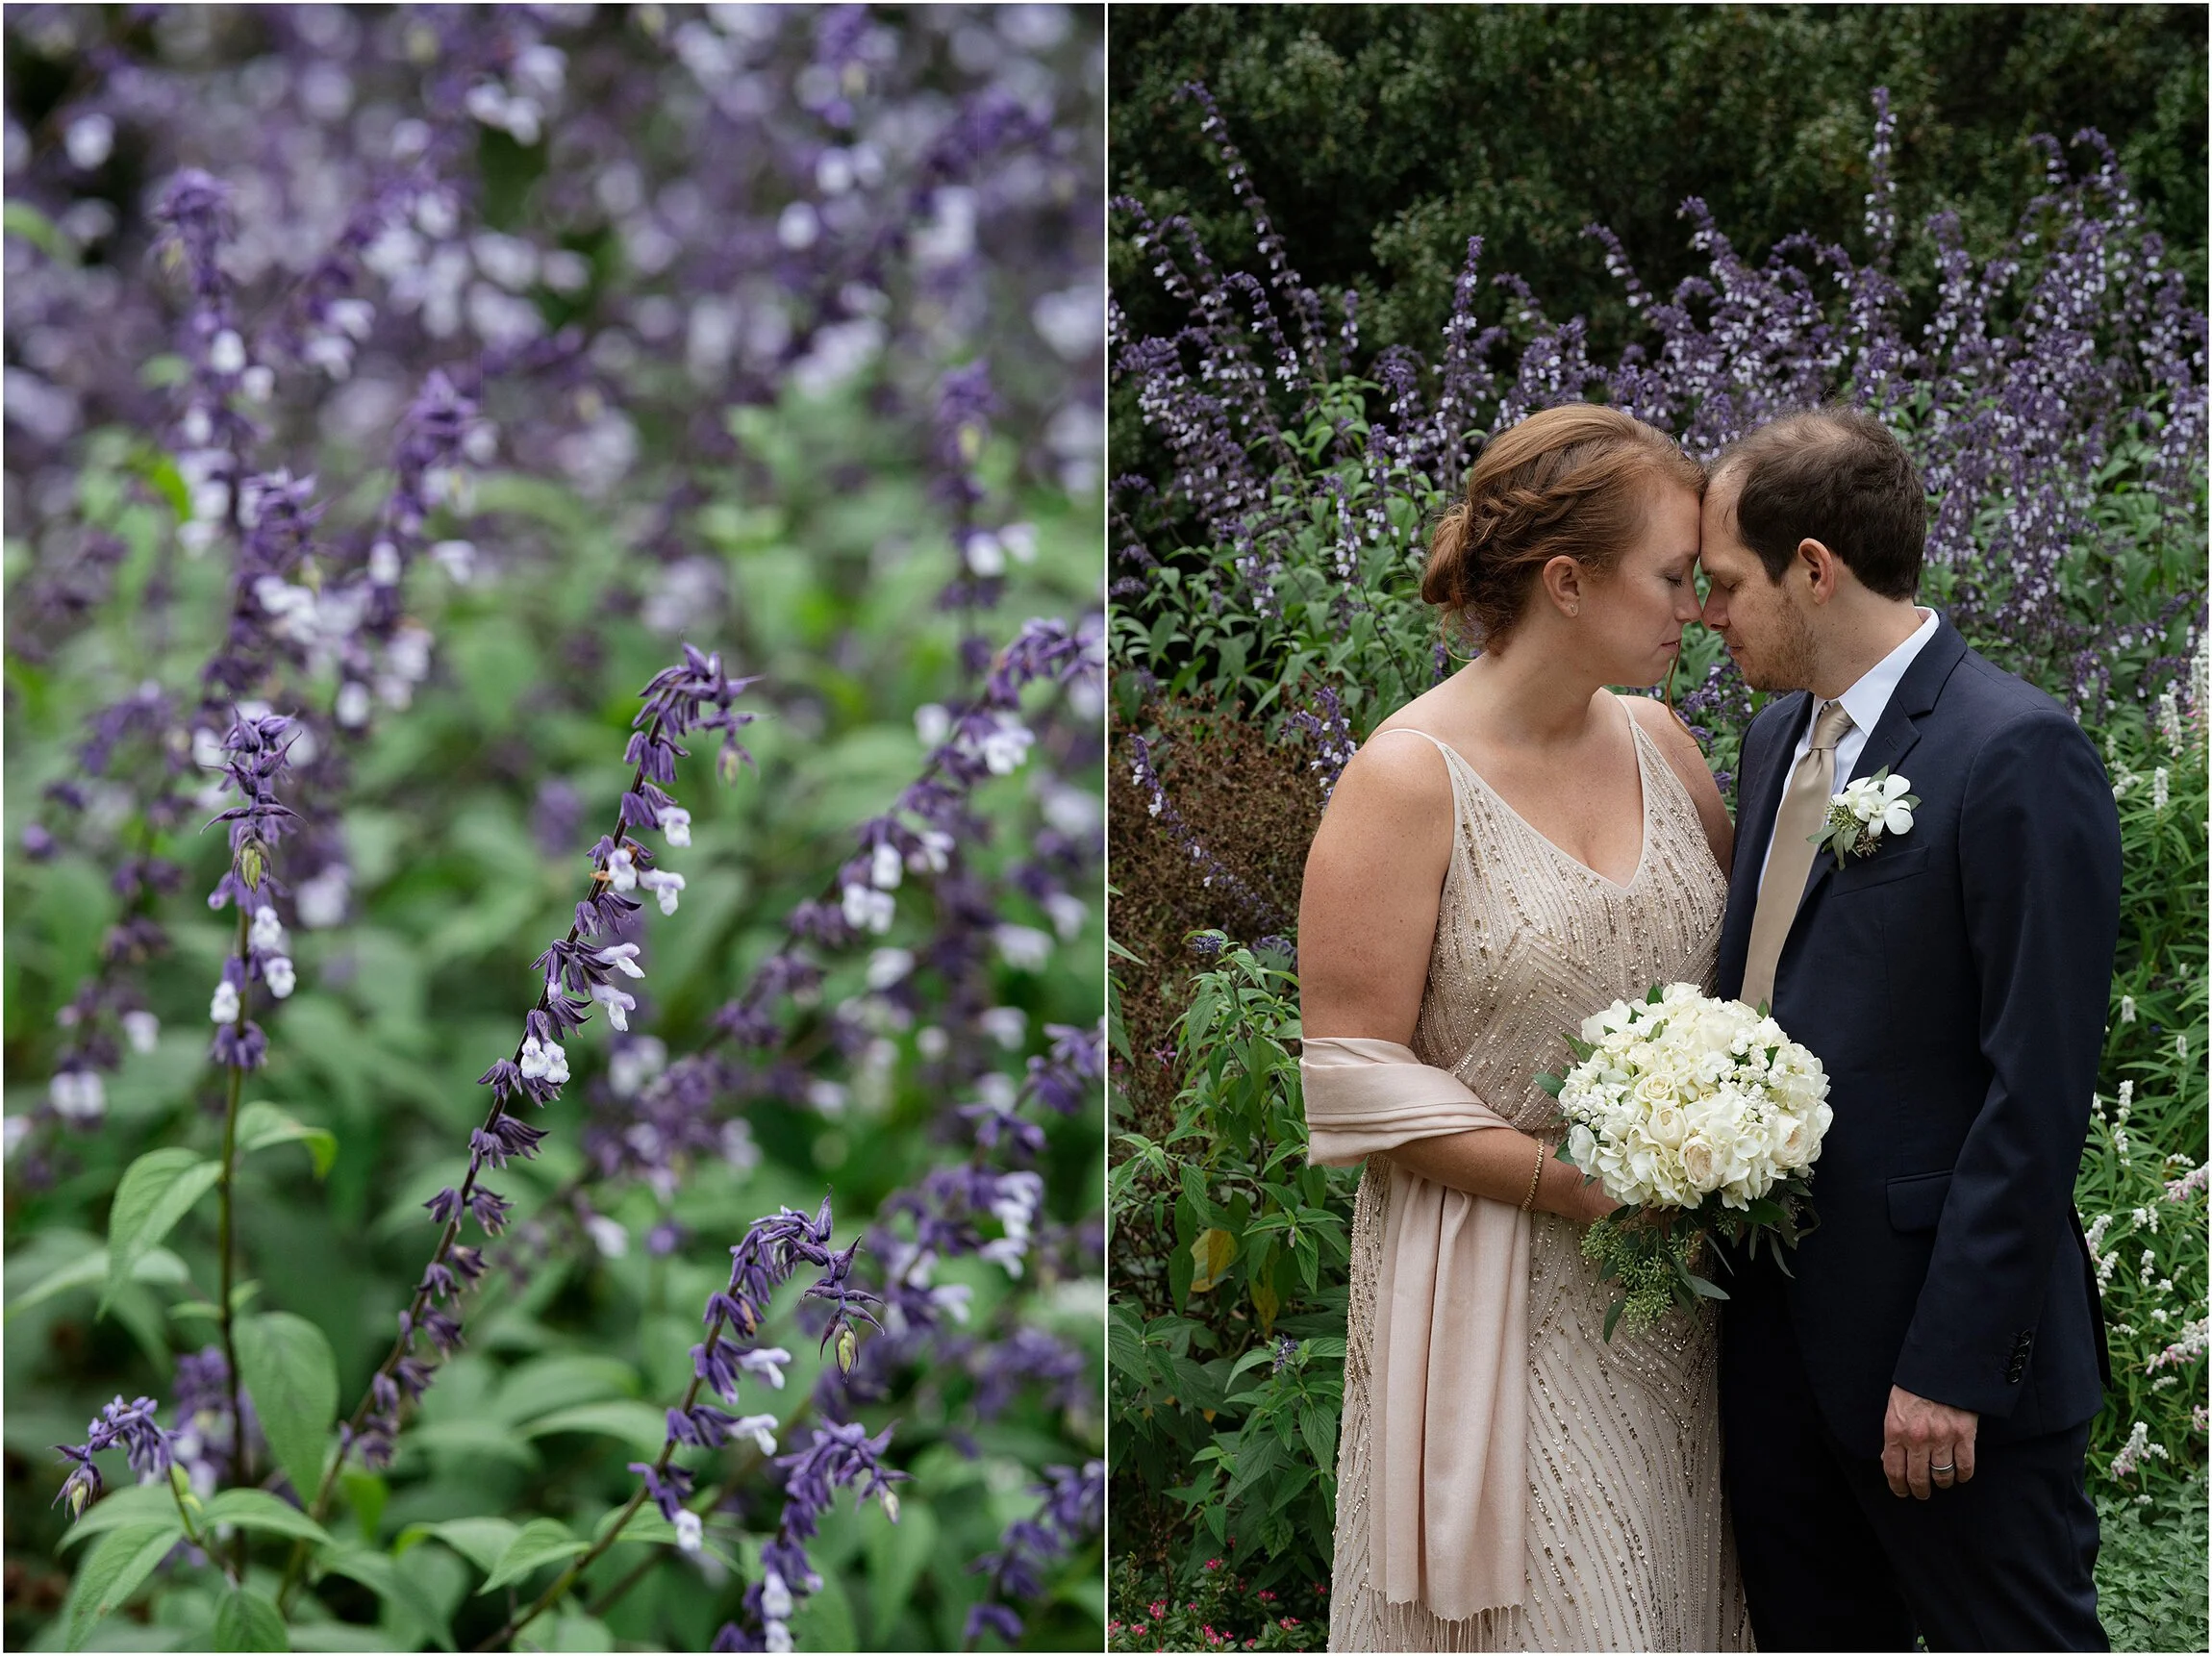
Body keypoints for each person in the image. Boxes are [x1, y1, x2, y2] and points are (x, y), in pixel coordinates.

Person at [1298, 403, 1750, 1651]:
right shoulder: (1405, 778)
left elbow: (1742, 996)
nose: (1699, 607)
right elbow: (1352, 1081)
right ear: (1567, 581)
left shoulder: (1666, 745)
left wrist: (1735, 1127)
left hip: (1676, 1299)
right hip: (1495, 1294)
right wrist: (1583, 1187)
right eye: (1673, 575)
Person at [1698, 407, 2118, 1651]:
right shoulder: (1777, 739)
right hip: (1774, 1344)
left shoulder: (2017, 751)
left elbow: (2035, 1095)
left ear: (1813, 569)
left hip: (1941, 1366)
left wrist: (1950, 1361)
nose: (1707, 614)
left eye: (1727, 584)